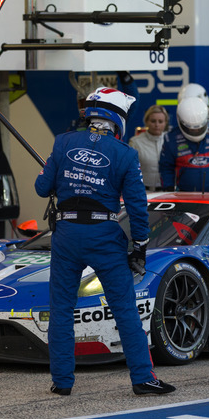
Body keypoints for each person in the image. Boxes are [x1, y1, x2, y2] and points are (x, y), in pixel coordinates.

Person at [35, 86, 174, 396]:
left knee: (61, 309)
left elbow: (41, 188)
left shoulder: (63, 142)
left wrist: (58, 174)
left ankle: (61, 382)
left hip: (67, 235)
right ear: (118, 119)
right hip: (104, 237)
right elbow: (138, 207)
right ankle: (142, 378)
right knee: (124, 308)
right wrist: (140, 245)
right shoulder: (125, 154)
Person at [159, 97, 209, 192]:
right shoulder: (171, 138)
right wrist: (168, 188)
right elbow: (166, 167)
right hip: (184, 194)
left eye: (199, 128)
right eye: (191, 129)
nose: (196, 131)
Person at [129, 104, 168, 191]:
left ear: (165, 123)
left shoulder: (170, 141)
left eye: (160, 121)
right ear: (146, 121)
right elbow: (130, 170)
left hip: (166, 192)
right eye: (153, 121)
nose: (157, 125)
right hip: (142, 191)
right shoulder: (135, 142)